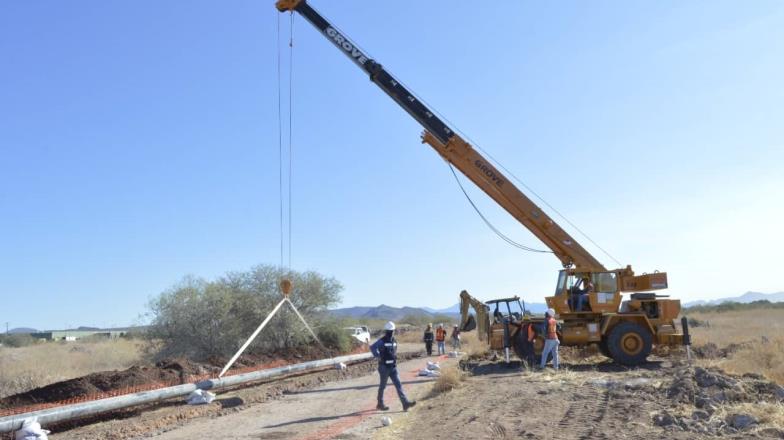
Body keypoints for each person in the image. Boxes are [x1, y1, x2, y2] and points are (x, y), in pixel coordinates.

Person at [370, 321, 417, 411]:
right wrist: (378, 356)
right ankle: (380, 403)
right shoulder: (382, 340)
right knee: (383, 386)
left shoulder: (394, 340)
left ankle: (405, 403)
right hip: (384, 367)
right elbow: (372, 347)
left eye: (392, 330)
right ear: (388, 331)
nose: (392, 332)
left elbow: (393, 351)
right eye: (391, 330)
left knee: (399, 385)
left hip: (393, 367)